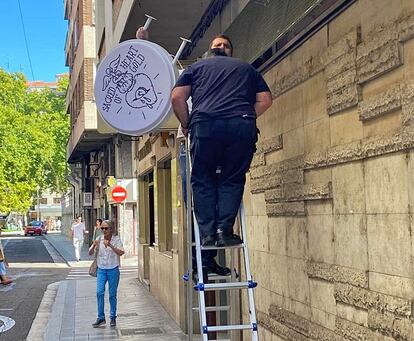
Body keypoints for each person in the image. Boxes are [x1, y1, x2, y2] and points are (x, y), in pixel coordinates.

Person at [171, 35, 272, 251]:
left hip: (206, 126)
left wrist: (186, 123)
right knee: (232, 178)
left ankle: (207, 235)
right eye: (220, 45)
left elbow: (177, 97)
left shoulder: (196, 68)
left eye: (225, 44)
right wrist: (244, 117)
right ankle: (224, 231)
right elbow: (265, 100)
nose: (222, 47)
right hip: (241, 127)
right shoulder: (247, 69)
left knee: (203, 179)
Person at [88, 220, 124, 328]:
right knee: (99, 292)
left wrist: (111, 246)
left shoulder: (116, 239)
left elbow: (121, 252)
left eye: (106, 228)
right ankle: (101, 317)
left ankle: (113, 317)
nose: (103, 230)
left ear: (111, 229)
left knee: (112, 294)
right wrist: (94, 246)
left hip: (113, 269)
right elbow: (89, 253)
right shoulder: (99, 239)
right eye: (102, 228)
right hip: (101, 270)